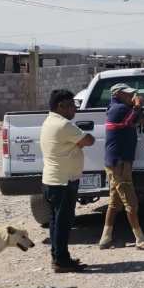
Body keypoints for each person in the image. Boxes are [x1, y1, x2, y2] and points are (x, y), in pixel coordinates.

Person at [39, 89, 94, 273]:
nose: (74, 109)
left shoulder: (49, 121)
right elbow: (89, 140)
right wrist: (81, 141)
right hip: (63, 182)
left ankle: (59, 258)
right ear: (60, 106)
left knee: (56, 222)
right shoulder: (63, 125)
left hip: (53, 180)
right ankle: (61, 260)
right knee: (63, 223)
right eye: (71, 105)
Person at [99, 83, 144, 251]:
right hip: (119, 163)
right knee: (131, 201)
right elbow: (131, 121)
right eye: (128, 94)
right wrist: (138, 106)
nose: (132, 96)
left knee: (115, 201)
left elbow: (141, 120)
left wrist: (136, 108)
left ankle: (106, 237)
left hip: (119, 162)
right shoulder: (118, 109)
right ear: (118, 94)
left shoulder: (121, 108)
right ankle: (139, 239)